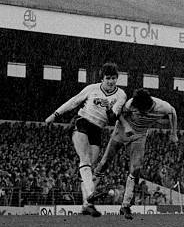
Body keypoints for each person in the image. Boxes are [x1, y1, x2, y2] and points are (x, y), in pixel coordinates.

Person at [45, 62, 126, 217]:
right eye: (108, 78)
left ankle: (86, 205)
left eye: (113, 78)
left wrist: (108, 107)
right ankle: (90, 195)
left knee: (89, 167)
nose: (110, 81)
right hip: (82, 122)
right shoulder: (92, 88)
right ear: (102, 78)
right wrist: (55, 115)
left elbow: (113, 117)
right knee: (85, 159)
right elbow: (74, 101)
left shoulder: (120, 95)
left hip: (98, 129)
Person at [89, 89, 178, 219]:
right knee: (105, 162)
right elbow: (119, 115)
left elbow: (173, 112)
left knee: (136, 169)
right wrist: (127, 126)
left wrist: (173, 133)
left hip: (139, 135)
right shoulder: (130, 104)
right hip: (121, 132)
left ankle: (125, 206)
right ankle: (90, 193)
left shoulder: (161, 106)